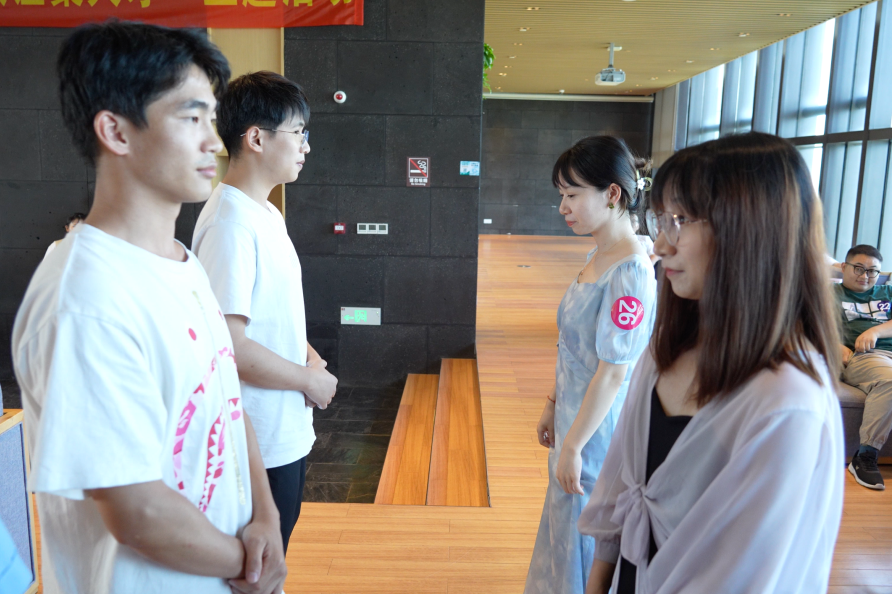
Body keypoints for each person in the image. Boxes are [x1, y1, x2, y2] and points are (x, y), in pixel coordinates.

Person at [12, 21, 286, 594]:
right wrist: (249, 564)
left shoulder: (182, 262)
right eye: (191, 118)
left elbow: (228, 401)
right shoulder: (85, 298)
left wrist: (266, 516)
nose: (214, 142)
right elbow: (137, 511)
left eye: (212, 119)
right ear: (115, 131)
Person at [579, 132, 844, 594]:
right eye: (662, 219)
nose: (661, 245)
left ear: (748, 231)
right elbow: (622, 481)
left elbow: (747, 574)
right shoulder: (669, 348)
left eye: (681, 220)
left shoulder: (787, 401)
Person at [192, 71, 337, 553]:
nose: (306, 146)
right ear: (256, 138)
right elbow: (228, 346)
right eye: (298, 133)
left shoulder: (266, 213)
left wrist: (309, 358)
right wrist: (307, 380)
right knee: (256, 569)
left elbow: (271, 315)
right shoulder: (230, 224)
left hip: (281, 429)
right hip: (254, 442)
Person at [525, 136, 657, 594]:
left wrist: (575, 445)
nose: (563, 206)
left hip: (598, 432)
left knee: (585, 531)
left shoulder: (631, 271)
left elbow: (615, 371)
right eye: (561, 194)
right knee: (564, 525)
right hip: (574, 418)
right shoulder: (599, 255)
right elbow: (573, 347)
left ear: (612, 194)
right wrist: (552, 403)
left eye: (573, 194)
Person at [835, 244, 892, 490]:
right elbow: (802, 325)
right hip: (865, 357)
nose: (865, 275)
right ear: (843, 267)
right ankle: (865, 456)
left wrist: (875, 331)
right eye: (858, 268)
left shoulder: (887, 292)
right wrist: (834, 344)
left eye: (872, 271)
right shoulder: (827, 294)